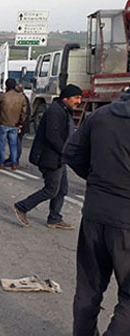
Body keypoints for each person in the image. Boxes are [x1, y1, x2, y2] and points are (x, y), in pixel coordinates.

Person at [65, 90, 130, 335]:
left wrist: (97, 180)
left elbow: (71, 153)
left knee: (88, 289)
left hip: (95, 214)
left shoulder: (100, 116)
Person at [12, 84, 83, 229]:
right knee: (51, 189)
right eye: (76, 98)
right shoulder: (55, 111)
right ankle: (22, 207)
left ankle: (54, 218)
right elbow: (52, 136)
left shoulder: (64, 110)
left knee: (62, 189)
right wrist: (67, 151)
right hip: (50, 157)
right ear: (66, 98)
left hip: (59, 158)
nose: (79, 101)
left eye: (80, 98)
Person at [0, 78, 28, 170]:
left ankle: (0, 162)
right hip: (15, 124)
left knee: (2, 144)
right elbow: (24, 112)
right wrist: (21, 122)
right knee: (13, 144)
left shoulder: (3, 96)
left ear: (6, 86)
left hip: (3, 122)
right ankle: (14, 163)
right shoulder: (21, 97)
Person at [5, 83, 31, 166]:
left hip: (19, 124)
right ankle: (13, 158)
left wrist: (20, 123)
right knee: (16, 141)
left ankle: (14, 159)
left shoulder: (21, 99)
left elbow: (24, 113)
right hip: (20, 123)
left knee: (16, 142)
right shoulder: (24, 98)